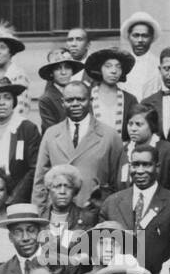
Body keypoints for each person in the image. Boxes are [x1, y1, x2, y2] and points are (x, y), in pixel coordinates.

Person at [31, 81, 123, 212]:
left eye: (80, 99)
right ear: (63, 102)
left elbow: (119, 184)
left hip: (95, 214)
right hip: (59, 214)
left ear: (91, 100)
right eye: (69, 100)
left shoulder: (110, 135)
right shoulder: (51, 134)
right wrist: (39, 216)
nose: (75, 104)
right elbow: (40, 182)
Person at [99, 144, 170, 274]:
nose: (140, 171)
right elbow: (100, 249)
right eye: (135, 165)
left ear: (157, 167)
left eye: (146, 165)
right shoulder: (111, 203)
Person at [120, 104, 170, 194]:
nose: (133, 129)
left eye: (138, 124)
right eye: (130, 124)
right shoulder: (124, 150)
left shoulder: (169, 151)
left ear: (152, 126)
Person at [38, 164, 97, 247]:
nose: (62, 191)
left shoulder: (87, 218)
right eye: (57, 186)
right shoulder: (40, 219)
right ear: (49, 190)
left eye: (68, 187)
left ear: (75, 191)